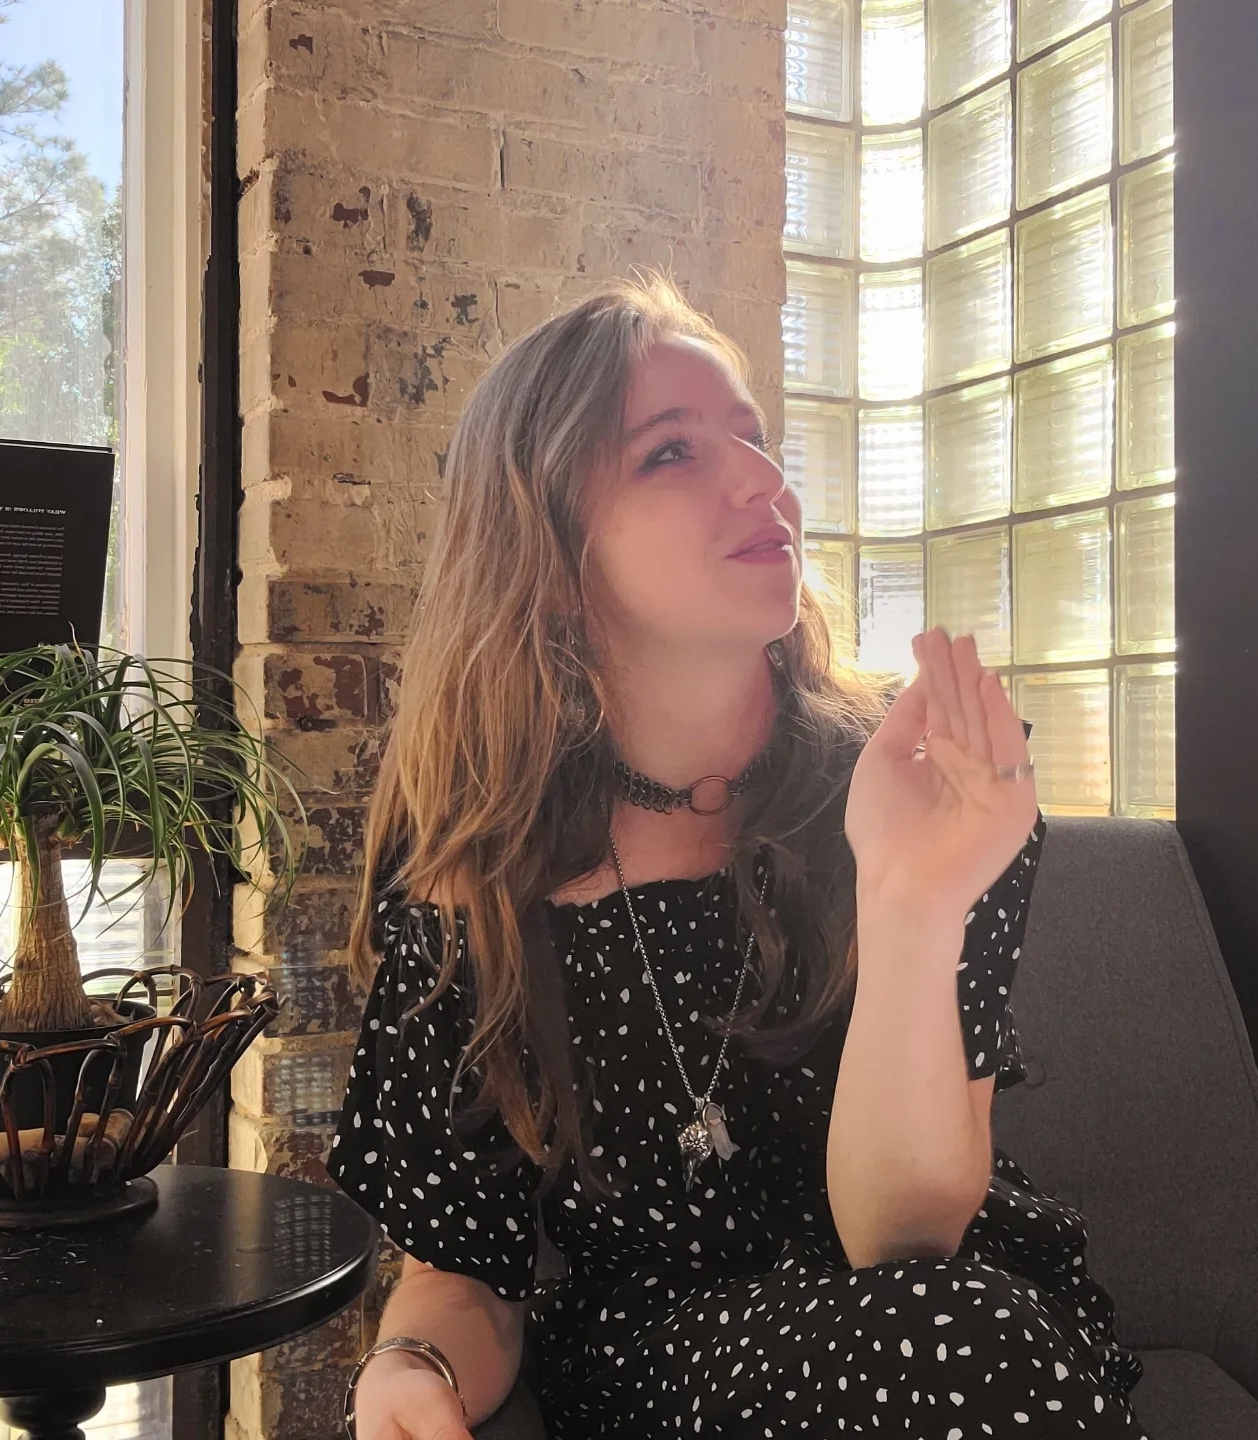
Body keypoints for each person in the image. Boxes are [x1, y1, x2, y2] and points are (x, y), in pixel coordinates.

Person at [326, 274, 1148, 1439]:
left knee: (951, 1335)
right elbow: (462, 1270)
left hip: (945, 1332)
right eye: (671, 452)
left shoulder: (921, 786)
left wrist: (912, 898)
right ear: (546, 553)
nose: (765, 481)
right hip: (671, 1368)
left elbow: (903, 1239)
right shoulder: (473, 858)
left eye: (755, 439)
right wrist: (410, 1366)